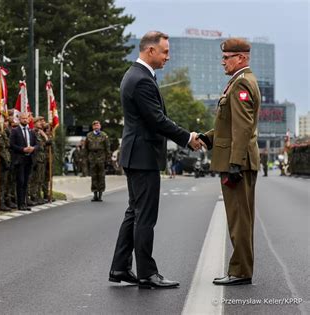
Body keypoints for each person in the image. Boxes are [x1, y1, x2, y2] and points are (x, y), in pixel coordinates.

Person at [109, 31, 202, 289]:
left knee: (134, 213)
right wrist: (187, 137)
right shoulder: (141, 80)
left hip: (137, 154)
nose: (168, 57)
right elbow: (157, 120)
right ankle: (147, 273)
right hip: (143, 157)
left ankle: (119, 267)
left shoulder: (136, 75)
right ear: (150, 50)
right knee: (145, 217)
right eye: (165, 52)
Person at [200, 38, 261, 286]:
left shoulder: (242, 83)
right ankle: (240, 269)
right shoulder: (237, 82)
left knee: (240, 220)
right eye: (223, 57)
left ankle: (240, 272)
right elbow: (229, 126)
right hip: (239, 160)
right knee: (239, 219)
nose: (223, 61)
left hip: (239, 163)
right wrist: (207, 137)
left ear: (242, 58)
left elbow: (244, 127)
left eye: (227, 57)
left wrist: (235, 163)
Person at [10, 112, 38, 210]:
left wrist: (33, 148)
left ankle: (24, 202)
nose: (25, 120)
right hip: (19, 159)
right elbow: (12, 145)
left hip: (29, 159)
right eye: (23, 118)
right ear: (19, 119)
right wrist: (22, 149)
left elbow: (37, 144)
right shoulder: (15, 131)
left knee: (26, 182)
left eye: (26, 118)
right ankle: (20, 203)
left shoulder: (31, 131)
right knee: (20, 181)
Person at [85, 120, 110, 201]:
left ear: (100, 126)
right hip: (92, 157)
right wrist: (86, 158)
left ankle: (100, 194)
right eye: (95, 125)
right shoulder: (89, 135)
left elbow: (107, 148)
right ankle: (95, 193)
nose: (96, 127)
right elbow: (86, 148)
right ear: (93, 127)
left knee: (101, 176)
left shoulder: (104, 135)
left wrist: (107, 159)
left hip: (101, 157)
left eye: (98, 125)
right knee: (94, 176)